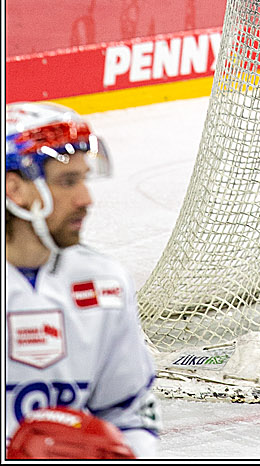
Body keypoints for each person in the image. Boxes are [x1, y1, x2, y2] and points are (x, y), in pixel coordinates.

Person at [5, 103, 160, 458]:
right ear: (16, 190)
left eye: (84, 179)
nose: (85, 199)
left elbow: (132, 416)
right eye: (67, 182)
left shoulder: (105, 283)